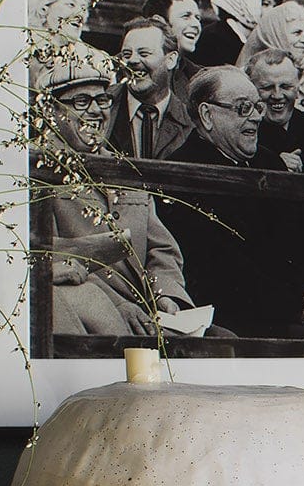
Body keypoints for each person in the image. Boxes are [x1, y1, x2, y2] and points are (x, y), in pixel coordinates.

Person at [165, 66, 304, 343]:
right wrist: (296, 307)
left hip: (291, 307)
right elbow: (221, 271)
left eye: (257, 107)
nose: (258, 117)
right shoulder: (181, 173)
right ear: (207, 115)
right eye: (243, 108)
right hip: (235, 320)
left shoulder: (268, 162)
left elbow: (303, 238)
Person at [33, 57, 193, 346]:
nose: (96, 110)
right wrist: (119, 305)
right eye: (81, 101)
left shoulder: (123, 169)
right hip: (93, 311)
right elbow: (56, 261)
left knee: (226, 343)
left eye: (102, 100)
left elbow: (161, 249)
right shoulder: (38, 170)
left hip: (150, 315)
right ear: (49, 110)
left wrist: (165, 297)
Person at [109, 17, 197, 162]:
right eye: (126, 54)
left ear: (171, 60)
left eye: (144, 53)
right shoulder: (103, 106)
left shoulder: (191, 119)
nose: (133, 61)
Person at [193, 0, 272, 71]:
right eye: (266, 4)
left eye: (275, 6)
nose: (272, 10)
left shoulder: (256, 39)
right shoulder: (213, 37)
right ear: (248, 3)